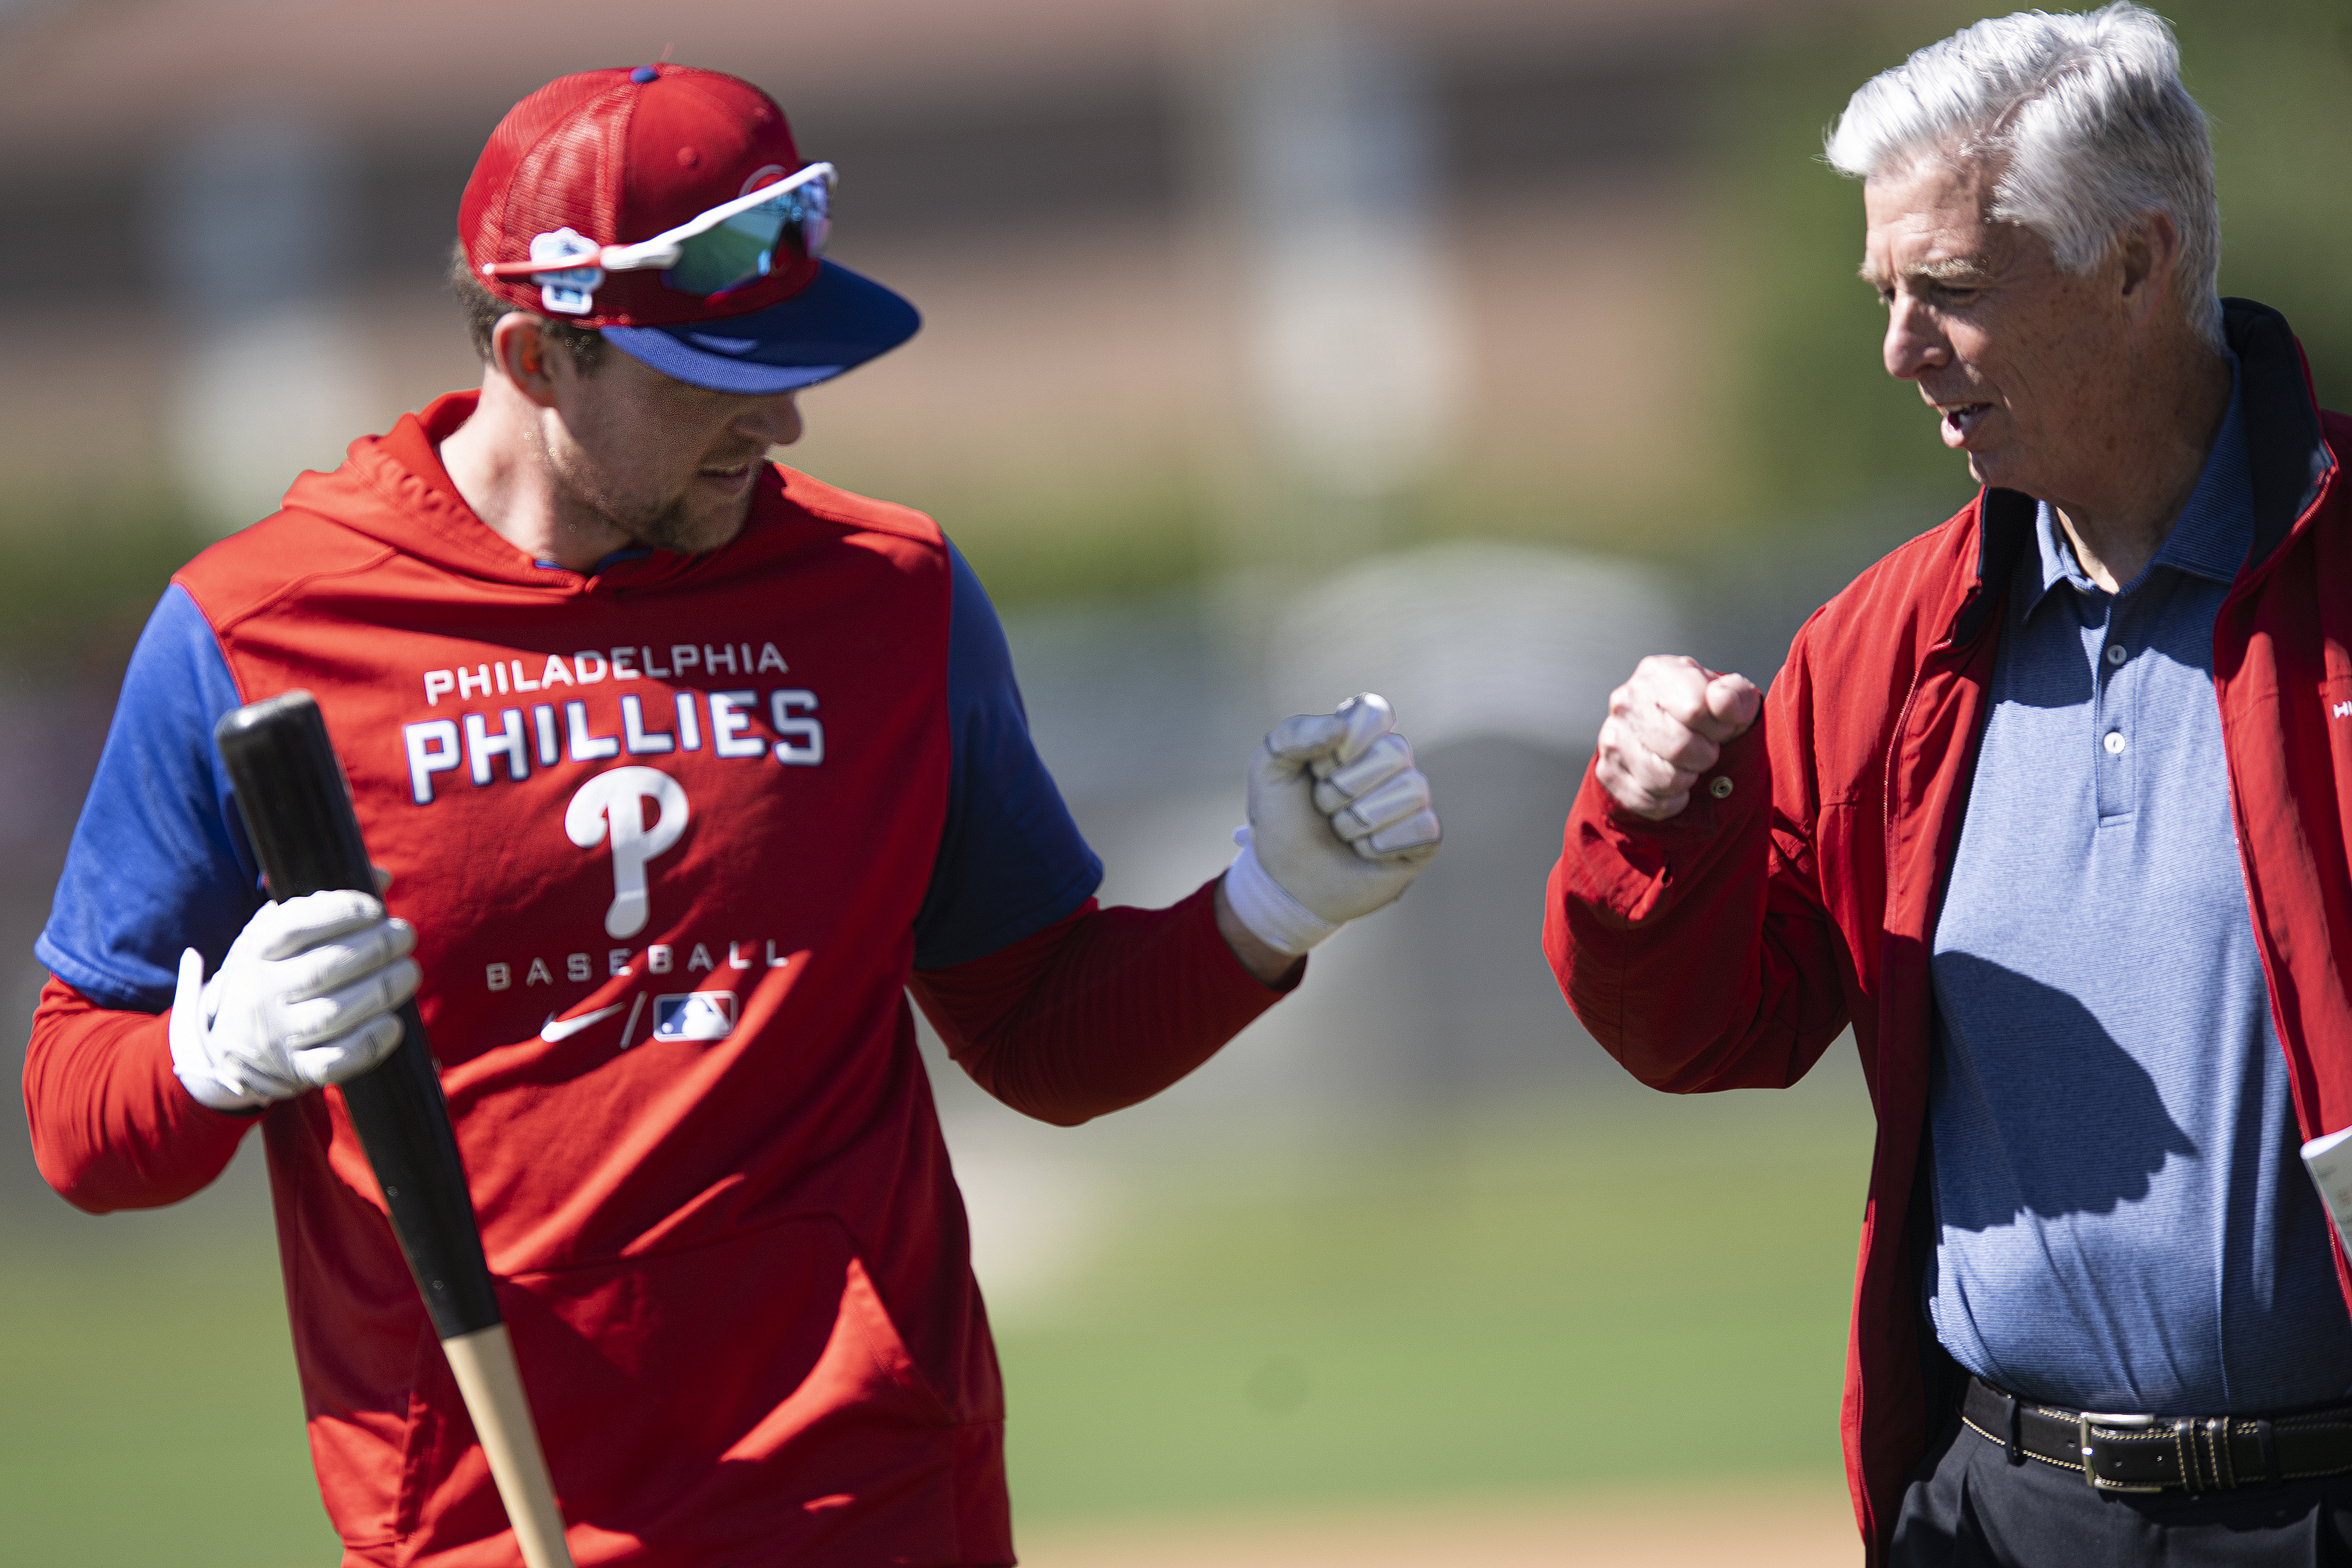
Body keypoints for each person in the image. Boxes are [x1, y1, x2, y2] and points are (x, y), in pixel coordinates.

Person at [22, 65, 1441, 1568]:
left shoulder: (892, 597)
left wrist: (1267, 912)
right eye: (716, 377)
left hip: (875, 1502)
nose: (783, 423)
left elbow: (1037, 1034)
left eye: (788, 363)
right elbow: (78, 1122)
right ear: (536, 353)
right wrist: (213, 1054)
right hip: (483, 1523)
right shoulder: (256, 627)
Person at [1544, 5, 2352, 1563]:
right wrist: (1647, 831)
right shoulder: (1876, 647)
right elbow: (1713, 1026)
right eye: (1884, 295)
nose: (1899, 351)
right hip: (1999, 1511)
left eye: (1951, 293)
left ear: (2136, 263)